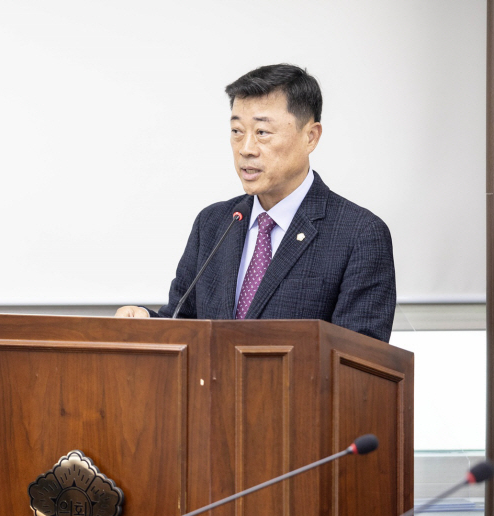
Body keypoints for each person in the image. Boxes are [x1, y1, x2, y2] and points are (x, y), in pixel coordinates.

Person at [115, 64, 396, 343]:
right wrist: (146, 323)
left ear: (310, 137)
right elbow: (183, 324)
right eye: (237, 131)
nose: (246, 148)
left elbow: (359, 363)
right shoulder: (213, 223)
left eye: (262, 132)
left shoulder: (359, 235)